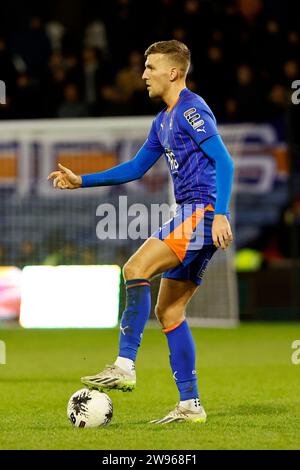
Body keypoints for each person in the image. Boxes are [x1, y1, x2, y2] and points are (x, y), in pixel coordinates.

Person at [48, 40, 234, 425]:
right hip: (191, 213)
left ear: (173, 72)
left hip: (200, 211)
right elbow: (134, 168)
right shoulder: (162, 120)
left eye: (150, 67)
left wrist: (220, 214)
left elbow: (224, 160)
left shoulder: (191, 109)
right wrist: (81, 180)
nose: (143, 74)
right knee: (169, 310)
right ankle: (190, 405)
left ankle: (124, 364)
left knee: (134, 268)